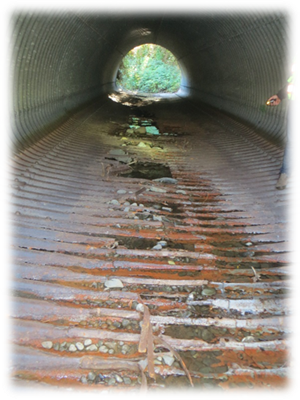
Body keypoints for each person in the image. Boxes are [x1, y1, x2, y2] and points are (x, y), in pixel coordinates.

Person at [266, 47, 298, 189]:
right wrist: (280, 95)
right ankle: (285, 174)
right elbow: (293, 81)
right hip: (295, 104)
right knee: (292, 141)